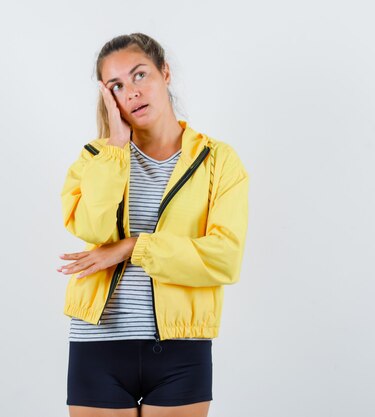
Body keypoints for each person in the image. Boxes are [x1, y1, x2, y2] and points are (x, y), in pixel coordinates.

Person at [57, 33, 249, 417]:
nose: (131, 92)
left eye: (139, 75)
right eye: (117, 86)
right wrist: (115, 147)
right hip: (99, 342)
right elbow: (93, 231)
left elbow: (225, 258)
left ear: (165, 72)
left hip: (182, 346)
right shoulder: (94, 159)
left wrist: (133, 247)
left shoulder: (218, 160)